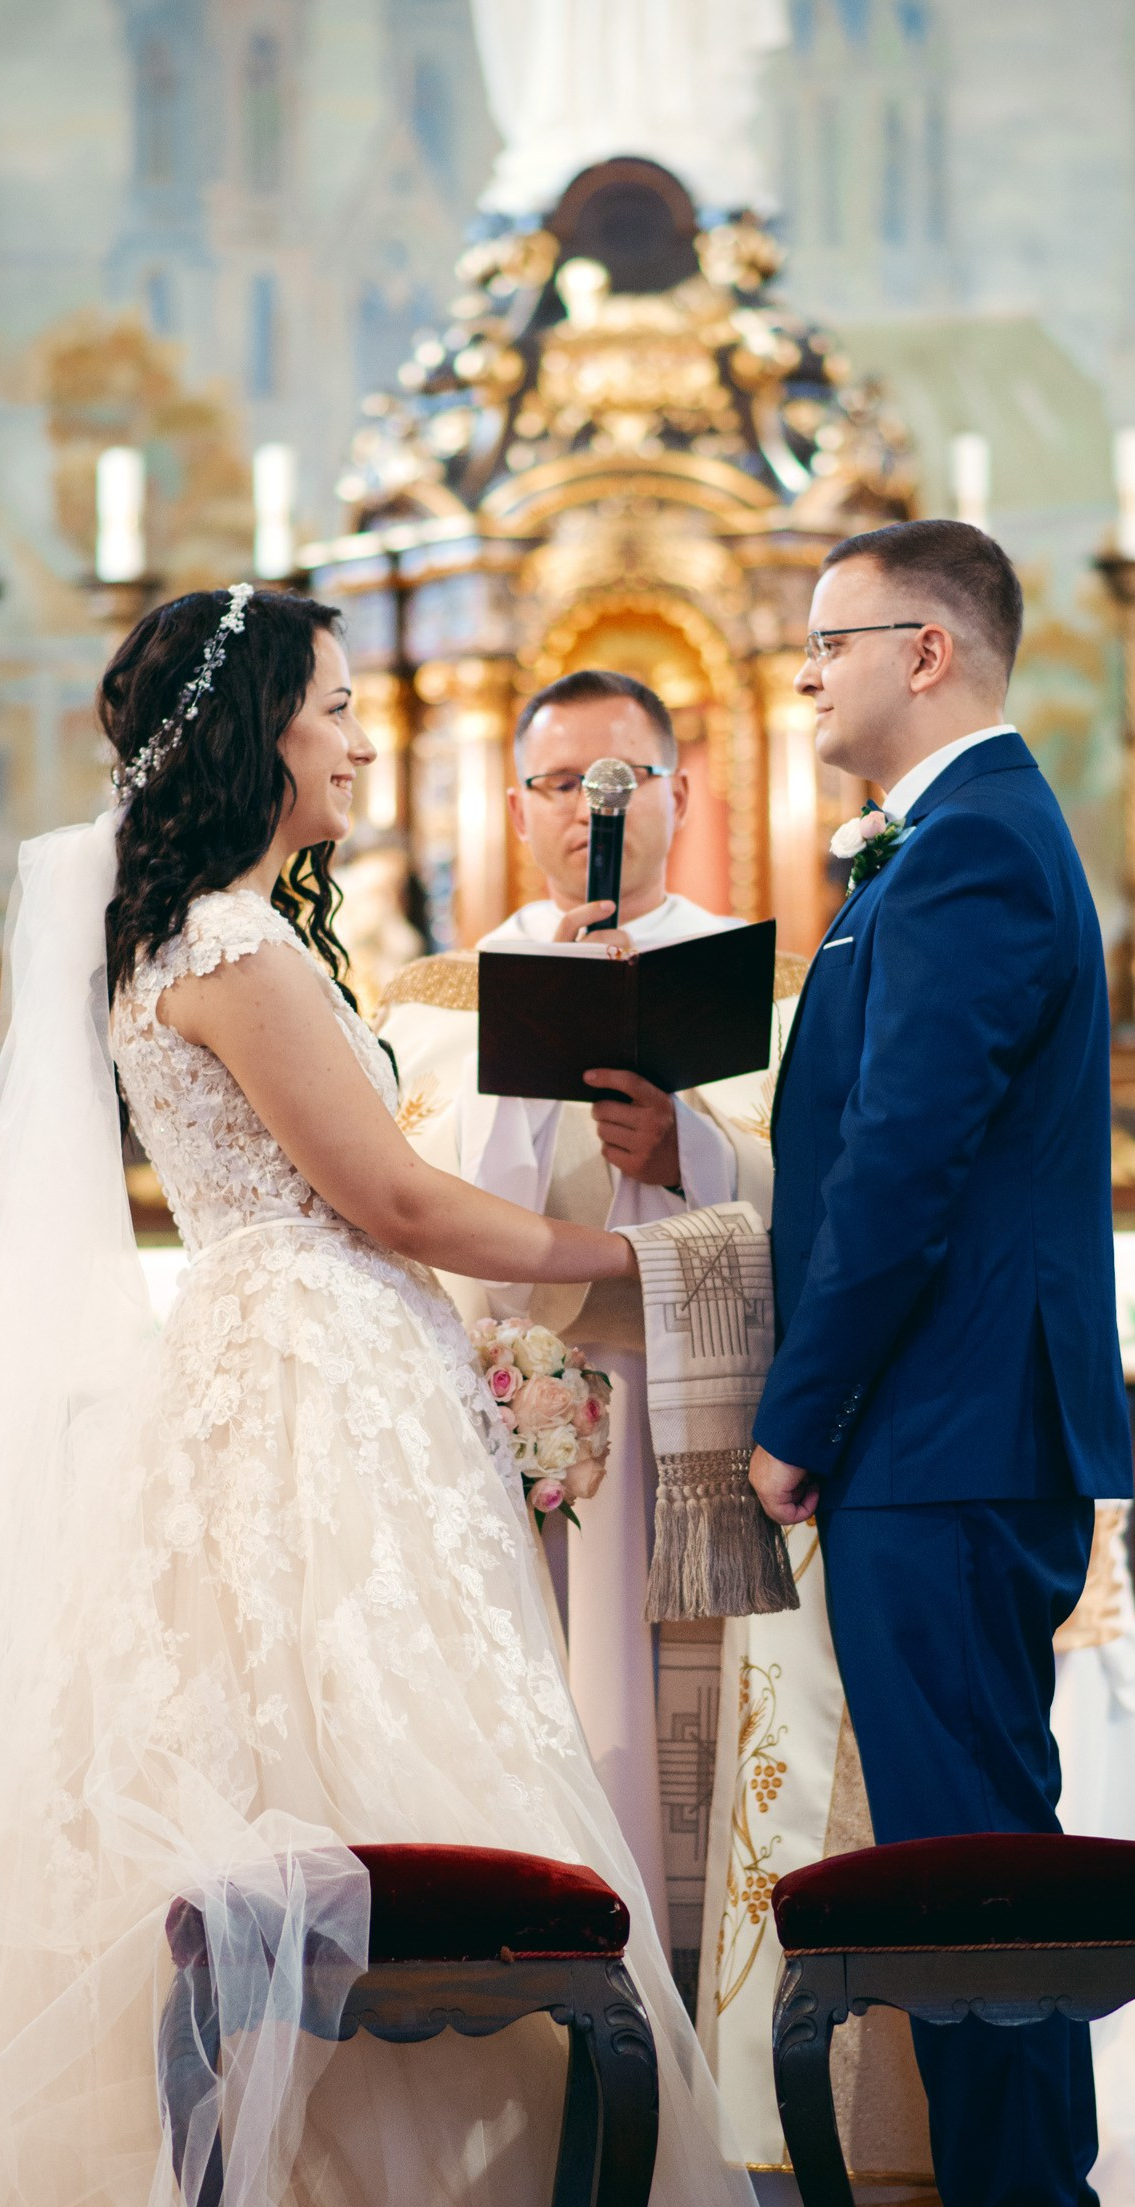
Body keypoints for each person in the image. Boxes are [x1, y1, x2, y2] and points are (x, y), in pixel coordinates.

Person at [0, 587, 806, 2207]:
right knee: (368, 1774)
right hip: (313, 1388)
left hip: (305, 1369)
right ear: (256, 733)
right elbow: (396, 1197)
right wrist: (650, 1257)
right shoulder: (235, 946)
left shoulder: (198, 933)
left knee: (340, 1782)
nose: (359, 736)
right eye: (333, 707)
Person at [749, 520, 1134, 2207]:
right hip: (948, 1425)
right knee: (970, 1852)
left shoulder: (971, 842)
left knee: (974, 1864)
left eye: (827, 642)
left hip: (946, 1429)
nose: (805, 674)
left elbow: (903, 1164)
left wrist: (796, 1417)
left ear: (927, 651)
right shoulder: (955, 837)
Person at [382, 669, 799, 1966]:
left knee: (684, 1732)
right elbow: (417, 1208)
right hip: (519, 1412)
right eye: (563, 784)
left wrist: (691, 1156)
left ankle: (692, 1990)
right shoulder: (435, 999)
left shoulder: (773, 991)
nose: (591, 812)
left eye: (621, 782)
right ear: (518, 807)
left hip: (699, 1420)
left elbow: (820, 1199)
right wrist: (535, 1036)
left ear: (683, 793)